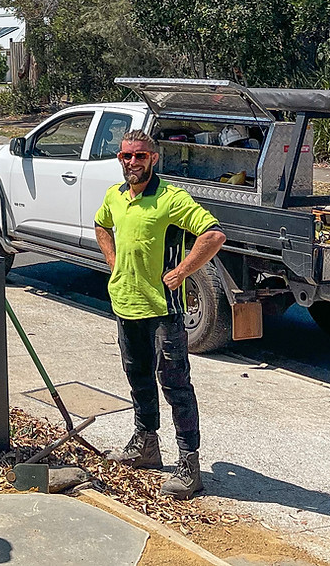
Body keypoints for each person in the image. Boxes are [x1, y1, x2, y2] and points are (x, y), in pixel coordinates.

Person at [94, 130, 227, 500]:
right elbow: (101, 224)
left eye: (139, 156)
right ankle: (146, 444)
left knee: (176, 386)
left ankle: (188, 465)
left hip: (163, 310)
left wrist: (183, 271)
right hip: (126, 303)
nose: (132, 163)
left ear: (153, 158)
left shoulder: (171, 199)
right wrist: (113, 261)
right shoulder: (115, 196)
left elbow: (213, 235)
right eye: (125, 157)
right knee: (137, 375)